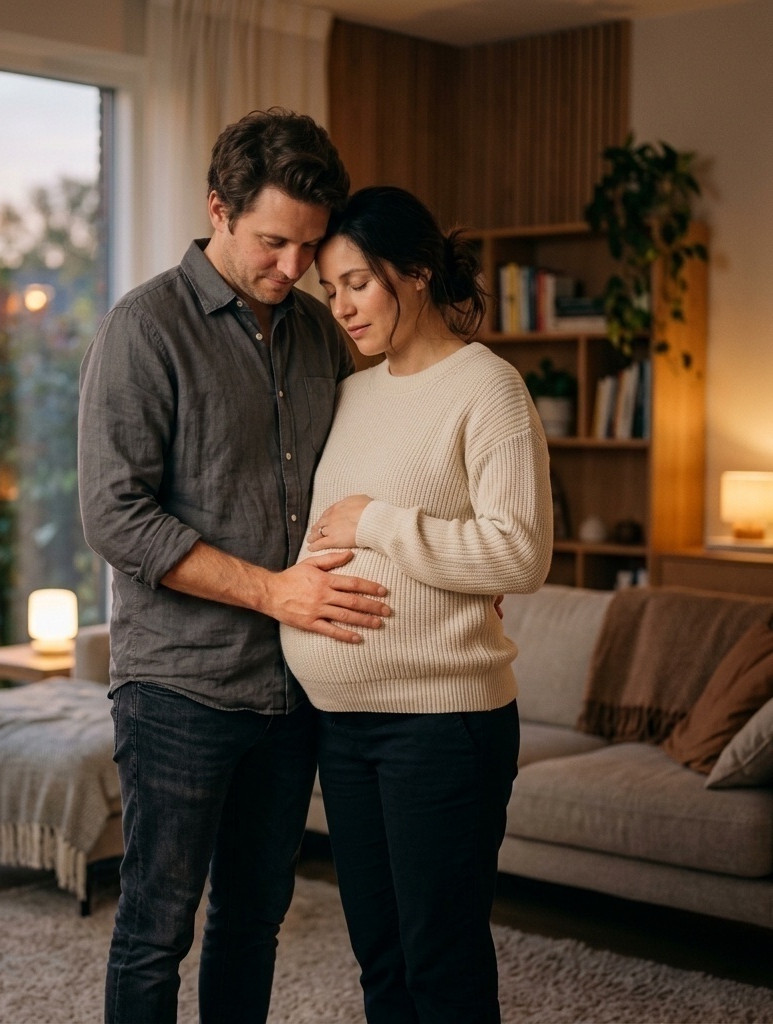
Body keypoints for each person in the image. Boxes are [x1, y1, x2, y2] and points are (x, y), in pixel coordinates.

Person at [77, 110, 392, 1024]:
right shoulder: (144, 329)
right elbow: (114, 516)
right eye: (273, 242)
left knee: (254, 923)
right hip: (180, 687)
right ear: (217, 207)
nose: (295, 270)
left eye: (309, 246)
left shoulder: (313, 332)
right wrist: (275, 592)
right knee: (155, 927)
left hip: (292, 689)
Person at [280, 185, 553, 1023]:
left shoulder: (488, 388)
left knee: (443, 965)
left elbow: (521, 551)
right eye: (331, 290)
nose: (343, 306)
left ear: (417, 273)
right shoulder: (355, 393)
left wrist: (382, 523)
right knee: (382, 960)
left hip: (441, 724)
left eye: (357, 282)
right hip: (342, 719)